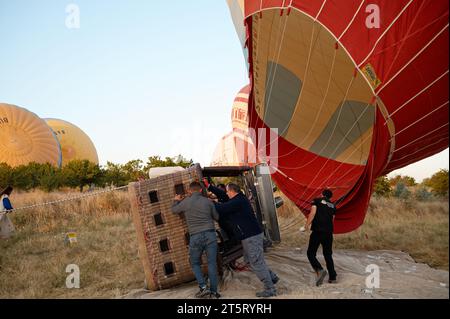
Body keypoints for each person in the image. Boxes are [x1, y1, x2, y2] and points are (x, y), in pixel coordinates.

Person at [214, 183, 279, 298]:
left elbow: (221, 208)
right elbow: (223, 197)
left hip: (251, 236)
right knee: (250, 260)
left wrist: (210, 203)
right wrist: (209, 187)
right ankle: (272, 277)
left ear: (232, 191)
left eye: (227, 191)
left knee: (256, 262)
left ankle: (270, 288)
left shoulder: (238, 201)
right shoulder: (238, 199)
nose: (226, 194)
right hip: (249, 236)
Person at [171, 181, 221, 299]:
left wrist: (176, 200)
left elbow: (174, 210)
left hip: (195, 236)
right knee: (212, 263)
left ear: (189, 191)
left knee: (194, 263)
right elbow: (217, 217)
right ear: (200, 190)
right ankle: (213, 292)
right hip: (210, 235)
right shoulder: (208, 202)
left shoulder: (185, 202)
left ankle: (203, 287)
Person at [304, 189, 337, 286]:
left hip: (318, 232)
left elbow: (313, 213)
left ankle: (319, 270)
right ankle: (333, 277)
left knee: (310, 253)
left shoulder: (317, 201)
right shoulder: (333, 206)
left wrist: (306, 225)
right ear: (331, 197)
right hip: (328, 233)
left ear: (322, 194)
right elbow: (332, 220)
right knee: (328, 254)